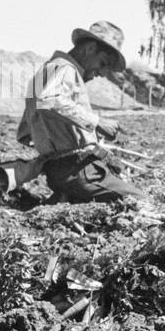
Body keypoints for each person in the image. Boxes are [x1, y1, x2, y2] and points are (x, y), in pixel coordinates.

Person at [17, 21, 141, 204]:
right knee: (140, 201)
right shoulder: (66, 69)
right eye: (103, 63)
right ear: (90, 49)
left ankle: (65, 196)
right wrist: (97, 122)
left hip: (58, 174)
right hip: (79, 172)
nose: (101, 73)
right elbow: (48, 100)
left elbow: (25, 133)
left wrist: (57, 139)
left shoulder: (45, 72)